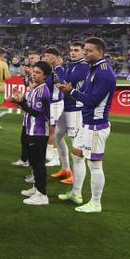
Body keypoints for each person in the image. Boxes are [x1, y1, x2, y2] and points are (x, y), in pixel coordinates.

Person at [57, 37, 116, 213]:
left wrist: (71, 91)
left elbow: (92, 100)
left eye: (90, 50)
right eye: (86, 50)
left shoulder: (104, 73)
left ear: (100, 52)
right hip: (86, 123)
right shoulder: (94, 69)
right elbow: (87, 94)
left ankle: (96, 203)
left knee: (95, 164)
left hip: (96, 125)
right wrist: (74, 91)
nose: (87, 53)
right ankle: (76, 192)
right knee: (77, 153)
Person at [9, 61, 53, 205]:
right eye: (34, 71)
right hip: (31, 130)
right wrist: (19, 100)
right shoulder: (35, 88)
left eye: (38, 72)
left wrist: (21, 104)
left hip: (39, 132)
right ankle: (37, 188)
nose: (34, 74)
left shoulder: (41, 90)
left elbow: (36, 113)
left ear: (45, 76)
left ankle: (42, 194)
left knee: (39, 164)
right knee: (34, 163)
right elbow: (29, 106)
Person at [52, 42, 88, 184]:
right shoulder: (72, 65)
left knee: (76, 145)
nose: (72, 53)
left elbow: (66, 80)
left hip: (76, 109)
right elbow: (62, 82)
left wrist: (59, 67)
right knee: (57, 136)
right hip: (67, 107)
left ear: (83, 52)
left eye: (76, 50)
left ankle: (76, 177)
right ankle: (66, 169)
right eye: (71, 50)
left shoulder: (84, 66)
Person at [42, 47, 66, 168]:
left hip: (56, 103)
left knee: (54, 131)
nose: (45, 58)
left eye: (47, 56)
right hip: (51, 103)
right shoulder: (53, 70)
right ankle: (50, 153)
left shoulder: (58, 70)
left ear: (53, 57)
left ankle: (55, 158)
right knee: (50, 130)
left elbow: (61, 84)